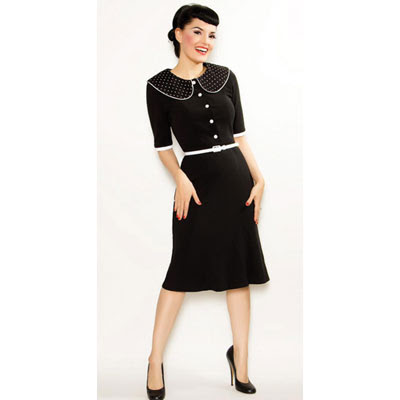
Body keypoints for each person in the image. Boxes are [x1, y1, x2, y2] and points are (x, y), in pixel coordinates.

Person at [145, 4, 270, 399]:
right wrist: (180, 178)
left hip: (236, 183)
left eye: (212, 35)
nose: (206, 41)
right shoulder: (158, 86)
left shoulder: (226, 76)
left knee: (239, 271)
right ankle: (154, 360)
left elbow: (240, 136)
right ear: (178, 33)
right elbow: (163, 147)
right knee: (180, 271)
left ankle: (241, 360)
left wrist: (259, 178)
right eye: (198, 32)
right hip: (196, 187)